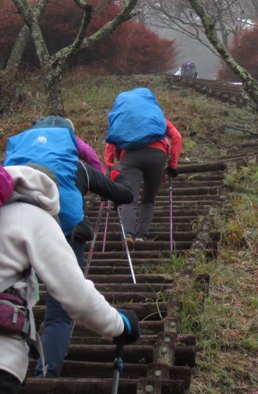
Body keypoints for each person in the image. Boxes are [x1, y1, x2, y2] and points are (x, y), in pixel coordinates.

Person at [0, 164, 139, 393]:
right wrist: (120, 324)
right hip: (3, 360)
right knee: (59, 319)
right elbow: (76, 296)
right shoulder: (32, 216)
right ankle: (46, 374)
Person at [34, 158, 134, 378]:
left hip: (11, 239)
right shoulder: (76, 166)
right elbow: (126, 195)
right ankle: (45, 378)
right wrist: (117, 174)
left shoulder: (11, 165)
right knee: (59, 316)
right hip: (66, 237)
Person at [104, 112, 182, 248]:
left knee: (129, 197)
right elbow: (177, 137)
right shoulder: (158, 118)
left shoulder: (124, 119)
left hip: (130, 155)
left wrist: (110, 167)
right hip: (157, 155)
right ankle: (140, 236)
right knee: (148, 199)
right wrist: (173, 165)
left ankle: (128, 234)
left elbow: (110, 143)